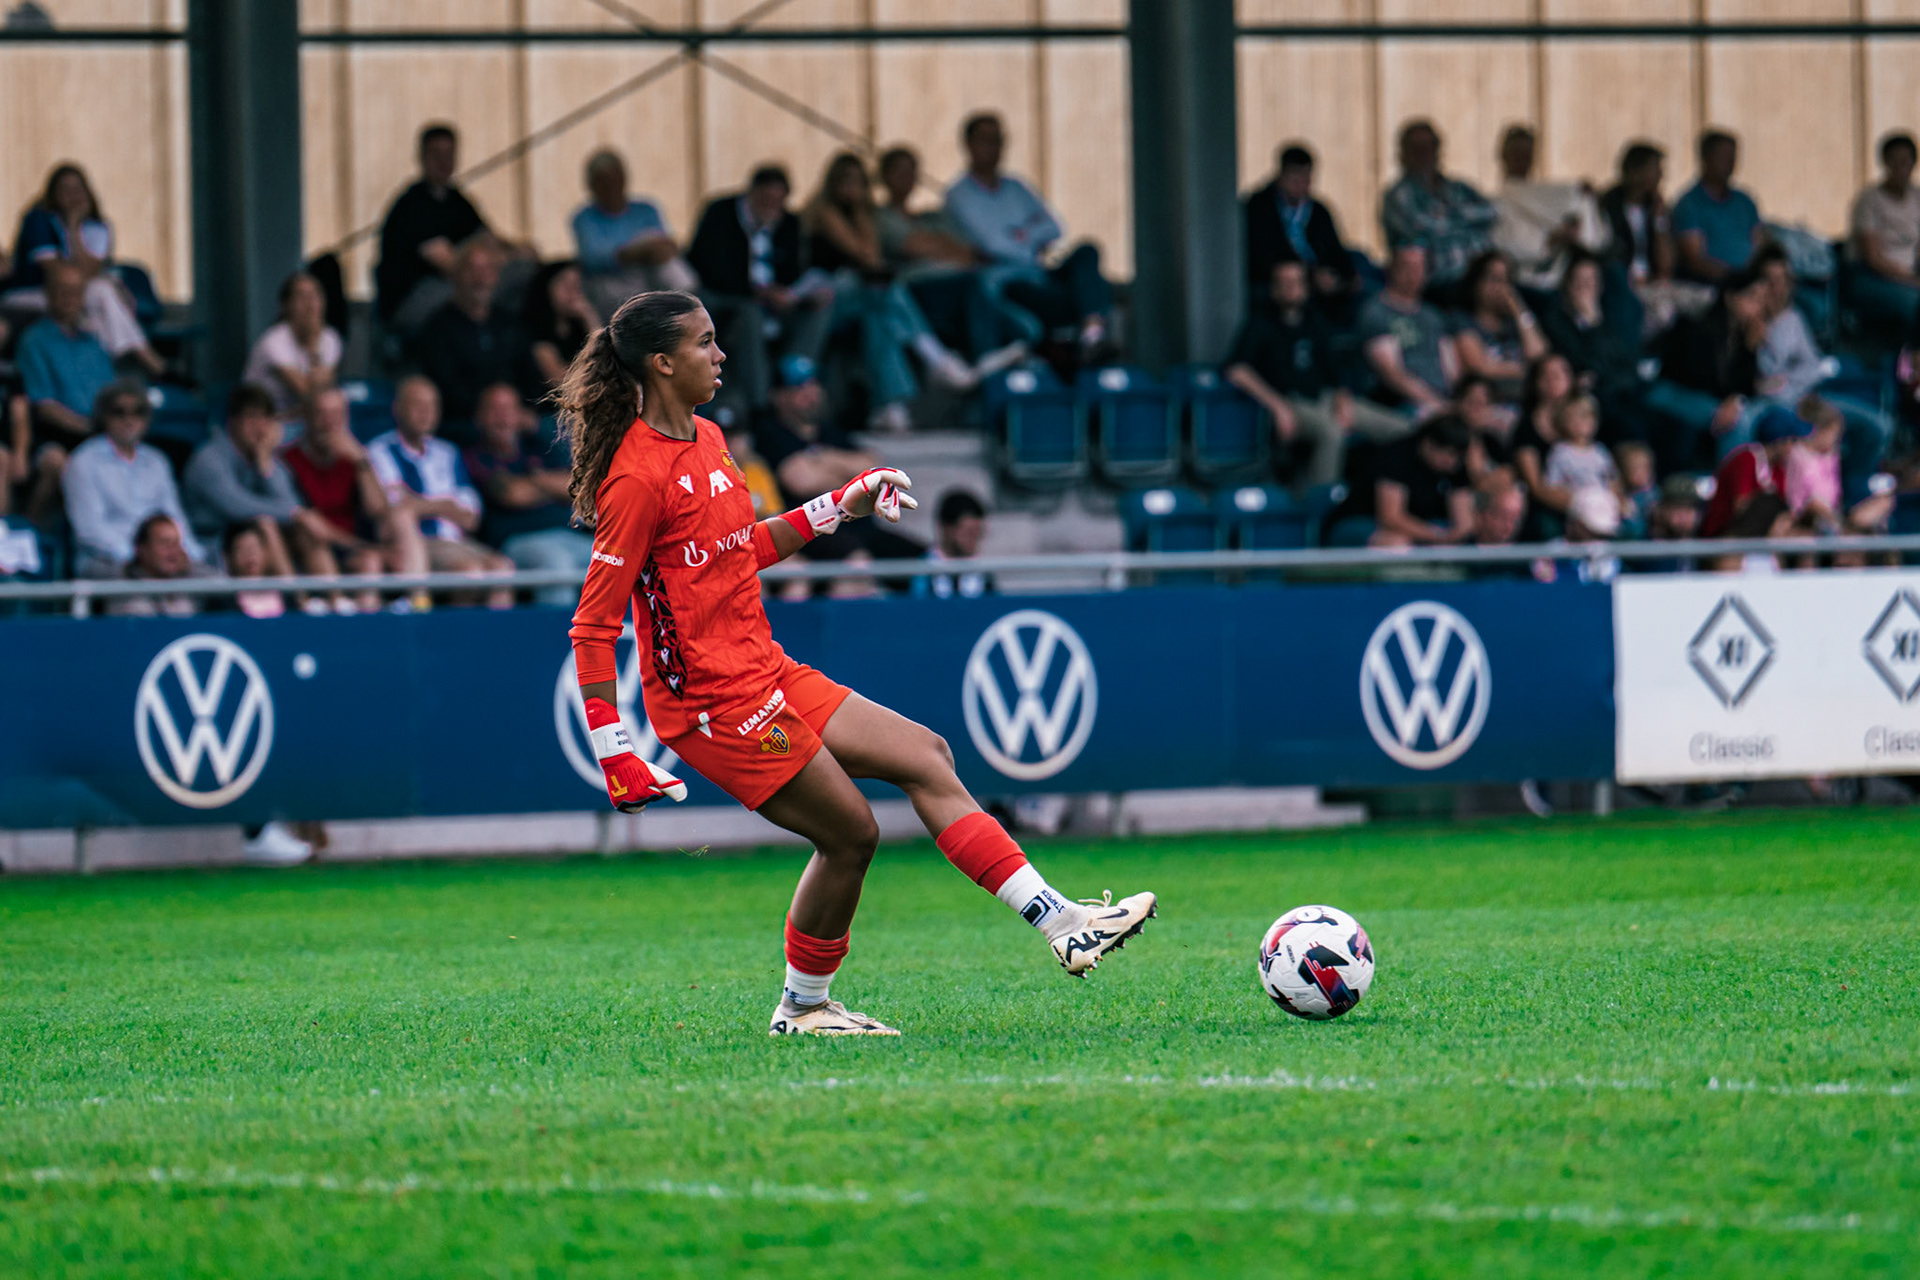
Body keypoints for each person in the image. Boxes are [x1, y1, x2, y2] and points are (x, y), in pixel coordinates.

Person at [559, 290, 1156, 1035]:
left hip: (766, 671)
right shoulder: (635, 476)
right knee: (851, 834)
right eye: (706, 343)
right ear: (662, 362)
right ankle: (803, 1007)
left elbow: (740, 549)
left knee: (926, 753)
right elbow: (593, 624)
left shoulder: (710, 439)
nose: (720, 355)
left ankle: (1062, 921)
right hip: (714, 707)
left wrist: (842, 504)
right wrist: (614, 746)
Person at [801, 151, 980, 432]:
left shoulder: (863, 215)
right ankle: (934, 355)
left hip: (861, 303)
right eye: (847, 182)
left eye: (859, 183)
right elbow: (864, 255)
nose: (852, 190)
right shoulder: (825, 213)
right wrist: (862, 216)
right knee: (883, 288)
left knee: (880, 320)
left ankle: (889, 406)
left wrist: (862, 212)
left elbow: (873, 258)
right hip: (822, 302)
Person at [1225, 260, 1409, 488]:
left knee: (1401, 429)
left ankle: (1385, 497)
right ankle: (1320, 505)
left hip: (1327, 398)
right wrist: (1278, 407)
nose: (1290, 288)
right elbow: (1237, 370)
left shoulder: (1316, 321)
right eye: (1284, 283)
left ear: (1306, 286)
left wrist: (1342, 399)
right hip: (1290, 401)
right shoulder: (1260, 324)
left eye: (1296, 282)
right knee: (1332, 433)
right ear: (1273, 287)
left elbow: (1336, 369)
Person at [944, 112, 1113, 357]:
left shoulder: (1016, 187)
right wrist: (1029, 235)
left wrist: (1018, 235)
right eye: (986, 139)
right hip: (1005, 286)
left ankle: (1093, 335)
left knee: (1087, 252)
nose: (994, 147)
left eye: (998, 140)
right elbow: (993, 244)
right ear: (968, 144)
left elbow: (1055, 227)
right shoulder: (959, 194)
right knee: (1075, 297)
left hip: (1040, 274)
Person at [686, 165, 834, 425]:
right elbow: (710, 268)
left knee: (821, 306)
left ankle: (795, 379)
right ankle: (760, 404)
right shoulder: (721, 214)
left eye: (778, 201)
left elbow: (793, 271)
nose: (771, 207)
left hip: (775, 305)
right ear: (752, 194)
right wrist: (762, 293)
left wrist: (796, 295)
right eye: (766, 200)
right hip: (729, 301)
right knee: (750, 314)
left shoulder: (787, 222)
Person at [366, 376, 514, 608]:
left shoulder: (448, 452)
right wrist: (446, 505)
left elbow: (471, 516)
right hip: (418, 544)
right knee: (470, 573)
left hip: (456, 543)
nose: (426, 412)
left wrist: (421, 504)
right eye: (417, 405)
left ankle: (496, 641)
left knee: (503, 569)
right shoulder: (380, 450)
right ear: (398, 409)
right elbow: (396, 508)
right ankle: (454, 638)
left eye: (432, 405)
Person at [3, 162, 163, 376]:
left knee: (95, 312)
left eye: (77, 189)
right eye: (65, 189)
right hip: (32, 293)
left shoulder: (96, 226)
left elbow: (87, 272)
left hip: (79, 294)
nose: (72, 195)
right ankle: (148, 361)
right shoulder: (39, 220)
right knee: (101, 291)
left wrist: (73, 228)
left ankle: (101, 376)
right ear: (53, 194)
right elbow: (60, 276)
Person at [182, 384, 340, 595]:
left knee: (304, 531)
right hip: (213, 543)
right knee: (266, 523)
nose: (259, 426)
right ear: (233, 422)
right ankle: (298, 602)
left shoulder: (265, 454)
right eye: (251, 417)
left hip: (255, 543)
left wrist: (266, 464)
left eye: (265, 418)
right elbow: (236, 506)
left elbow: (291, 501)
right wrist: (297, 514)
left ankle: (337, 603)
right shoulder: (208, 459)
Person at [284, 385, 427, 613]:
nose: (329, 423)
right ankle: (346, 619)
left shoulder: (353, 457)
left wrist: (361, 462)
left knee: (381, 547)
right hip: (311, 549)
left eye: (336, 415)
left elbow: (378, 509)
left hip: (351, 551)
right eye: (321, 414)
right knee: (369, 557)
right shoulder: (289, 460)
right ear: (307, 418)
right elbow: (312, 525)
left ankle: (414, 607)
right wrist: (366, 547)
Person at [874, 146, 1015, 365]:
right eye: (899, 171)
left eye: (911, 171)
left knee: (1014, 311)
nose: (906, 177)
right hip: (918, 290)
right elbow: (912, 247)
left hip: (958, 284)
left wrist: (936, 246)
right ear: (884, 176)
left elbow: (969, 253)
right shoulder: (881, 217)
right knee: (978, 287)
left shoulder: (932, 217)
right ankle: (987, 361)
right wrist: (943, 246)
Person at [375, 124, 520, 332]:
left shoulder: (458, 201)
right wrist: (500, 260)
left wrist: (516, 251)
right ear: (422, 157)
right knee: (479, 290)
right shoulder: (412, 206)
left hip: (447, 290)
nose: (444, 162)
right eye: (437, 155)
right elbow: (451, 265)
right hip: (415, 299)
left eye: (449, 154)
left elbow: (489, 238)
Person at [462, 381, 591, 605]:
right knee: (557, 564)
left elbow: (579, 488)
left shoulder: (538, 447)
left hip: (568, 536)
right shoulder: (476, 455)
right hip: (516, 542)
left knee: (619, 559)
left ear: (519, 415)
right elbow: (513, 493)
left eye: (509, 409)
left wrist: (534, 481)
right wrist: (550, 484)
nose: (502, 418)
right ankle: (557, 638)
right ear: (479, 417)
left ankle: (624, 637)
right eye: (494, 410)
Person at [63, 380, 203, 577]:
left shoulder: (157, 461)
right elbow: (89, 530)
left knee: (214, 580)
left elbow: (174, 516)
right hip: (106, 558)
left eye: (138, 412)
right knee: (141, 596)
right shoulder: (83, 461)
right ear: (104, 416)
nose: (129, 419)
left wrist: (190, 553)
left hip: (160, 555)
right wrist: (140, 556)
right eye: (119, 412)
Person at [1647, 267, 1771, 471]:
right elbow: (1708, 382)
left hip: (1705, 398)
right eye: (1752, 297)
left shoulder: (1744, 335)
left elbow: (1745, 388)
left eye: (1762, 300)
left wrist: (1750, 351)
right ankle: (1730, 489)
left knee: (1753, 412)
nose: (1758, 306)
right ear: (1731, 297)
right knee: (1737, 420)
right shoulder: (1699, 327)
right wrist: (1747, 354)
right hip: (1672, 393)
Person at [408, 238, 537, 427]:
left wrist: (517, 411)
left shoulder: (510, 324)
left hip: (514, 421)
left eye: (488, 270)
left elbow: (531, 376)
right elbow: (446, 388)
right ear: (456, 275)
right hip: (466, 424)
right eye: (472, 270)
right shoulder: (437, 328)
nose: (481, 278)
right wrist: (492, 413)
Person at [570, 149, 697, 315]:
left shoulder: (646, 209)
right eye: (604, 182)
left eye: (615, 180)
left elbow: (664, 246)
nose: (611, 188)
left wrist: (648, 250)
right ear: (592, 186)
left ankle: (689, 303)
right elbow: (593, 259)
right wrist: (633, 252)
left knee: (668, 265)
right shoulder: (584, 218)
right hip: (613, 280)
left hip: (650, 271)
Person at [1381, 119, 1499, 297]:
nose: (1424, 154)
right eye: (1416, 148)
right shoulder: (1398, 195)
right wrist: (1465, 221)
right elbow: (1423, 228)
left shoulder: (1459, 188)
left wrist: (1447, 216)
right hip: (1432, 288)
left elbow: (1491, 213)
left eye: (1429, 147)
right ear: (1403, 154)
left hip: (1478, 286)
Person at [1541, 251, 1645, 443]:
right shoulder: (1557, 320)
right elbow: (1584, 362)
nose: (1584, 288)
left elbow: (1627, 361)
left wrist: (1594, 322)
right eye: (1579, 282)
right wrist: (1591, 325)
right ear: (1568, 285)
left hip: (1622, 390)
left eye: (1590, 282)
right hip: (1590, 396)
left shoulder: (1610, 316)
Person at [1324, 415, 1474, 547]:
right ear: (1429, 444)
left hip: (1424, 526)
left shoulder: (1455, 465)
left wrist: (1456, 536)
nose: (1452, 463)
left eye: (1457, 457)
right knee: (1396, 543)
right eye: (1448, 455)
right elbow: (1391, 517)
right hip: (1362, 521)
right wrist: (1437, 538)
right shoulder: (1396, 457)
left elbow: (1463, 518)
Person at [1490, 124, 1607, 292]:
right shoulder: (1495, 202)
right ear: (1503, 156)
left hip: (1560, 276)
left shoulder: (1549, 198)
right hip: (1520, 279)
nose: (1521, 160)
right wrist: (1550, 241)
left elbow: (1594, 239)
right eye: (1516, 154)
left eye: (1526, 155)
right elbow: (1507, 245)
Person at [15, 260, 118, 451]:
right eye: (62, 289)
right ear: (48, 293)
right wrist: (92, 431)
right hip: (60, 437)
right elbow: (45, 407)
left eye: (76, 290)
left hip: (103, 435)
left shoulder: (93, 341)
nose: (69, 296)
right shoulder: (34, 340)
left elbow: (112, 393)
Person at [1243, 143, 1356, 310]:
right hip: (1275, 282)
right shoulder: (1259, 208)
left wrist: (1345, 275)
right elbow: (1260, 257)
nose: (1300, 185)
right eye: (1295, 178)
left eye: (1306, 179)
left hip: (1321, 281)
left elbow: (1335, 249)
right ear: (1281, 175)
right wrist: (1310, 276)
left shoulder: (1318, 211)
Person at [1357, 246, 1457, 419]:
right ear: (1391, 269)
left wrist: (1459, 400)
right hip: (1401, 403)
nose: (1413, 274)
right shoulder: (1376, 312)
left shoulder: (1433, 315)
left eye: (1419, 267)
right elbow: (1392, 374)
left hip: (1444, 399)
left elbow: (1452, 367)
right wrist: (1437, 403)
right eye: (1406, 266)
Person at [242, 271, 343, 424]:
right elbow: (306, 392)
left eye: (315, 296)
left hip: (300, 421)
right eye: (302, 297)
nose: (310, 304)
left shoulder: (331, 337)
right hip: (263, 423)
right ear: (286, 305)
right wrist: (313, 341)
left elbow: (325, 392)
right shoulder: (273, 341)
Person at [1450, 251, 1548, 408]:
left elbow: (1539, 358)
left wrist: (1519, 309)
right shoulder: (1462, 320)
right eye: (1494, 279)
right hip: (1489, 403)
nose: (1501, 288)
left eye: (1506, 280)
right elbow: (1479, 367)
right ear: (1477, 283)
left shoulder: (1515, 324)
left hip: (1524, 401)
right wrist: (1526, 372)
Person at [1701, 404, 1809, 537]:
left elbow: (1783, 510)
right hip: (1724, 536)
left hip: (1757, 536)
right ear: (1780, 441)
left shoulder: (1778, 468)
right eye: (1794, 441)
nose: (1795, 448)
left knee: (1806, 538)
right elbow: (1741, 507)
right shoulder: (1746, 459)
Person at [1849, 132, 1920, 333]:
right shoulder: (1869, 201)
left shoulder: (1917, 198)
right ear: (1885, 164)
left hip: (1911, 275)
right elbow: (1873, 257)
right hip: (1874, 278)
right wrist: (1911, 279)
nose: (1900, 169)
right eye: (1894, 163)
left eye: (1905, 162)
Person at [1673, 130, 1764, 284]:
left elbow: (1760, 245)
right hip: (1715, 285)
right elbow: (1695, 260)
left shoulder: (1745, 201)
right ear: (1705, 158)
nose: (1730, 163)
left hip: (1753, 282)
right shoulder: (1690, 204)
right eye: (1723, 156)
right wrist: (1735, 278)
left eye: (1733, 157)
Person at [104, 512, 212, 618]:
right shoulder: (122, 589)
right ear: (142, 549)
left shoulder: (194, 578)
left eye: (176, 543)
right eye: (165, 543)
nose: (173, 551)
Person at [524, 260, 601, 391]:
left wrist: (589, 317)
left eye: (576, 285)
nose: (572, 291)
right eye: (564, 284)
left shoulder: (579, 324)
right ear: (547, 286)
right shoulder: (535, 328)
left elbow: (606, 357)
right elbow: (559, 380)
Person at [1543, 396, 1622, 522]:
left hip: (1602, 508)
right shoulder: (1560, 452)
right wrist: (1577, 503)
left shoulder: (1600, 451)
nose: (1580, 422)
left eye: (1585, 416)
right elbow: (1552, 487)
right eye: (1573, 417)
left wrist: (1613, 501)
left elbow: (1613, 481)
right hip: (1574, 511)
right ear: (1563, 421)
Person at [917, 489, 992, 599]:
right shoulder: (920, 571)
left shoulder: (984, 576)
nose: (974, 540)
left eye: (978, 534)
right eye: (969, 533)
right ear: (947, 528)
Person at [220, 522, 287, 619]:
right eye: (241, 549)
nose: (249, 555)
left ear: (266, 552)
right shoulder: (223, 600)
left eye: (254, 548)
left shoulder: (287, 594)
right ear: (230, 557)